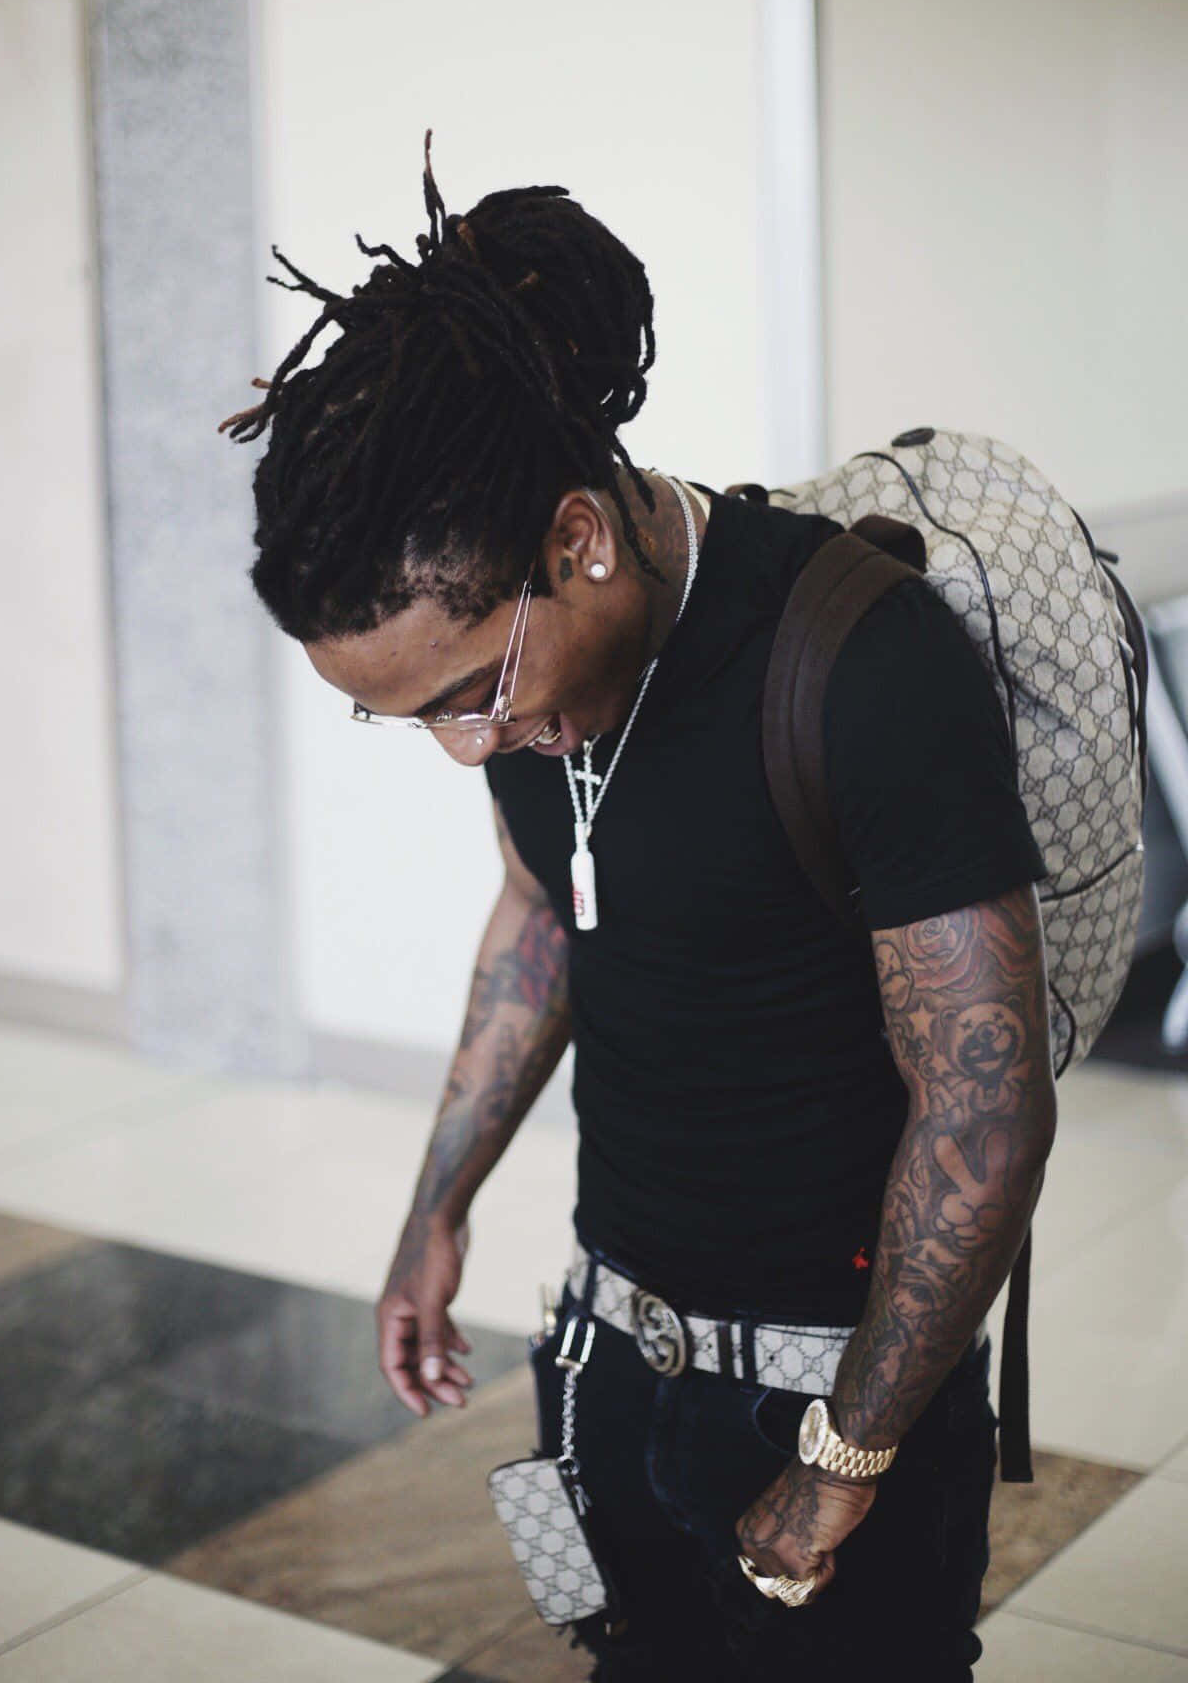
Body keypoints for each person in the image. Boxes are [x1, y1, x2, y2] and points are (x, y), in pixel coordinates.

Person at [219, 135, 1055, 1680]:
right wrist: (435, 1212)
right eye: (407, 720)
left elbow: (982, 1111)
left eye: (473, 694)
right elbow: (543, 920)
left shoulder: (864, 665)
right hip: (606, 1349)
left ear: (578, 540)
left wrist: (841, 1468)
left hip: (837, 1394)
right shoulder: (538, 697)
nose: (466, 744)